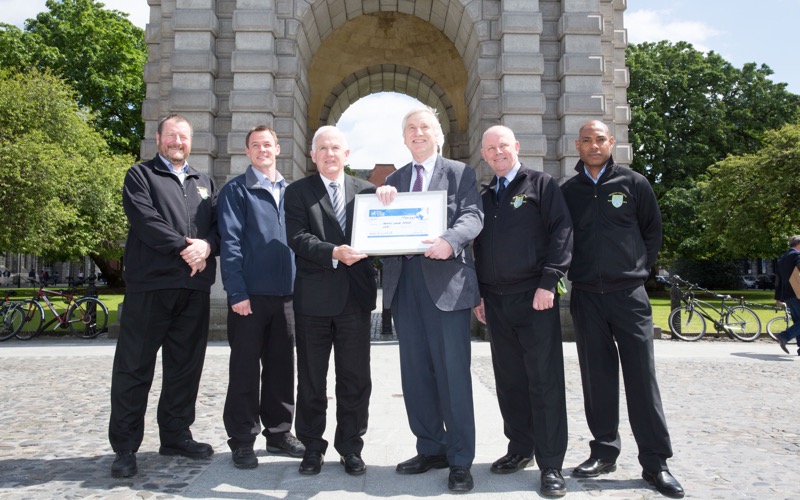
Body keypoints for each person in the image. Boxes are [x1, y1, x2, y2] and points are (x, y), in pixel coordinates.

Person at [560, 120, 684, 499]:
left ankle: (655, 462)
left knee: (641, 379)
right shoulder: (568, 191)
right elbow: (560, 238)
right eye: (587, 141)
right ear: (577, 146)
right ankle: (604, 452)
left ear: (611, 143)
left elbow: (652, 231)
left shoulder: (634, 184)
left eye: (600, 140)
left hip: (628, 296)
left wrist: (638, 270)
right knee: (596, 379)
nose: (594, 146)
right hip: (586, 296)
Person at [376, 106, 483, 493]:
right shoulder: (394, 180)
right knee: (416, 375)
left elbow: (472, 217)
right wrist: (381, 197)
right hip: (406, 288)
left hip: (447, 288)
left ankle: (459, 459)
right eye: (410, 129)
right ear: (404, 138)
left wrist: (449, 241)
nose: (417, 133)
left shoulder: (459, 173)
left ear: (437, 135)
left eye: (424, 128)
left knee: (453, 376)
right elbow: (378, 226)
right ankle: (430, 447)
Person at [108, 114, 219, 479]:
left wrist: (207, 245)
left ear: (191, 141)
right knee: (134, 367)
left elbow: (219, 228)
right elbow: (145, 220)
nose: (177, 141)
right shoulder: (140, 175)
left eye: (183, 137)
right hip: (150, 287)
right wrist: (185, 247)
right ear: (158, 139)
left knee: (185, 369)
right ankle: (125, 447)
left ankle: (175, 435)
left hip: (193, 288)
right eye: (170, 135)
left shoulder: (205, 181)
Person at [472, 125, 572, 497]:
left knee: (544, 381)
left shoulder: (541, 184)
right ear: (484, 155)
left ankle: (551, 465)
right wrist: (479, 294)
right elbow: (478, 249)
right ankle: (519, 448)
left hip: (535, 297)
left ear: (516, 146)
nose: (498, 152)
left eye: (503, 146)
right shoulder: (483, 196)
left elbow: (562, 231)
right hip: (495, 302)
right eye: (490, 148)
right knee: (510, 380)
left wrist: (550, 281)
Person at [284, 125, 377, 477]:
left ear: (347, 154)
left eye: (336, 147)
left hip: (355, 300)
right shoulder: (297, 192)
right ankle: (312, 447)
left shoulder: (367, 191)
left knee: (355, 379)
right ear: (313, 155)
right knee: (311, 380)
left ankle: (351, 447)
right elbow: (297, 237)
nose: (330, 154)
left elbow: (382, 228)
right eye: (323, 148)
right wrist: (333, 252)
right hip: (314, 302)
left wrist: (389, 200)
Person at [217, 125, 305, 469]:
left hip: (288, 297)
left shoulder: (292, 191)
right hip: (249, 297)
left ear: (278, 148)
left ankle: (280, 433)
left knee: (282, 370)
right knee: (244, 371)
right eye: (256, 145)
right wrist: (236, 291)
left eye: (267, 144)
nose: (262, 150)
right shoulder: (237, 191)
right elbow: (231, 243)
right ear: (247, 152)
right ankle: (242, 440)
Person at [773, 235, 800, 354]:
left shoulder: (782, 258)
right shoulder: (796, 255)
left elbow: (778, 279)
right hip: (797, 291)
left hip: (788, 294)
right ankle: (785, 336)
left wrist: (778, 297)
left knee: (798, 321)